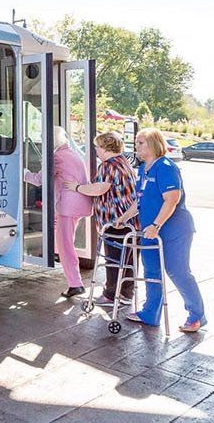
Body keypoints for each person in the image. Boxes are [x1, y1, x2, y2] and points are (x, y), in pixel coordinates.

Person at [114, 128, 206, 332]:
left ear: (153, 144)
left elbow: (172, 199)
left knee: (178, 271)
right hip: (149, 231)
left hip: (173, 230)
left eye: (140, 143)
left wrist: (156, 225)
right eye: (136, 143)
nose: (136, 147)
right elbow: (139, 201)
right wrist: (123, 217)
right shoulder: (143, 169)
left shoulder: (165, 167)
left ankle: (196, 315)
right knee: (151, 271)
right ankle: (150, 314)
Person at [65, 131, 138, 306]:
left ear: (106, 148)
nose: (96, 150)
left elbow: (99, 188)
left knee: (113, 260)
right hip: (130, 220)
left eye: (97, 147)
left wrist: (77, 188)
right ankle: (126, 294)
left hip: (115, 221)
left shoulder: (107, 165)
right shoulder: (124, 162)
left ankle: (110, 295)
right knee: (128, 260)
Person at [25, 126, 92, 298]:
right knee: (62, 238)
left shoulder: (56, 157)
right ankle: (55, 254)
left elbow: (39, 180)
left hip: (67, 207)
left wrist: (24, 172)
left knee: (66, 245)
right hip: (78, 204)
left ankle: (75, 283)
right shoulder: (72, 154)